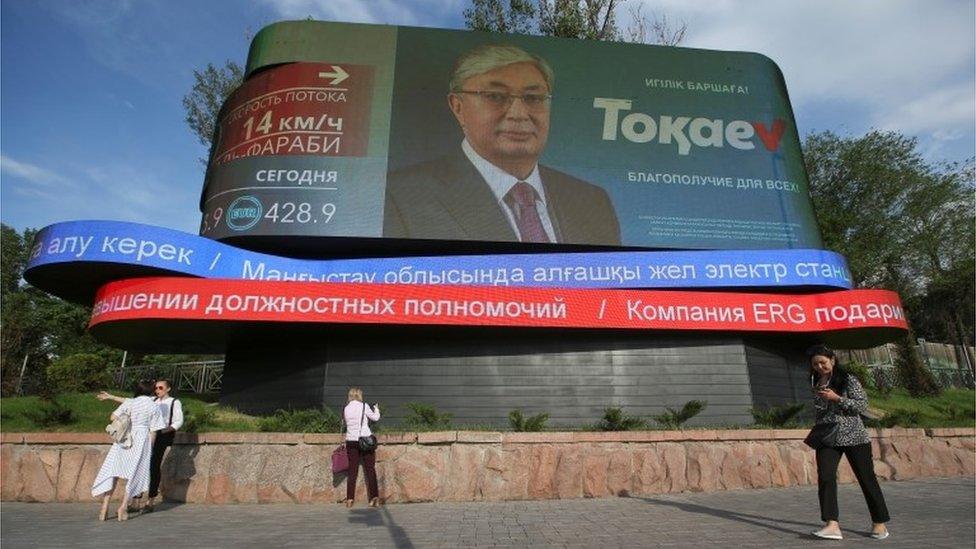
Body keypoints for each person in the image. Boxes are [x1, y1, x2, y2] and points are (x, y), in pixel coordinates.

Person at [384, 43, 621, 245]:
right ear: (458, 107)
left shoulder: (592, 201)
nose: (519, 114)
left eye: (533, 98)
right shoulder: (400, 196)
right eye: (495, 96)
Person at [807, 344, 890, 540]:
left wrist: (837, 398)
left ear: (833, 360)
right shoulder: (815, 381)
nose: (820, 367)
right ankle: (832, 524)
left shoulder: (848, 379)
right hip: (828, 437)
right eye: (815, 364)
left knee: (866, 478)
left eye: (823, 362)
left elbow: (861, 405)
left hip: (854, 436)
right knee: (826, 477)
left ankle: (879, 523)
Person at [97, 378, 183, 511]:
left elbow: (178, 421)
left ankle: (150, 500)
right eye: (156, 388)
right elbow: (129, 401)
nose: (157, 390)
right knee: (140, 467)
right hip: (145, 436)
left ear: (168, 389)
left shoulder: (174, 402)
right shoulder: (152, 402)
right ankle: (135, 502)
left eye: (160, 388)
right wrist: (111, 397)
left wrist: (163, 431)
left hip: (160, 436)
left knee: (153, 467)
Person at [91, 379, 165, 521]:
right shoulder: (154, 407)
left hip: (124, 438)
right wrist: (150, 448)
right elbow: (154, 430)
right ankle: (123, 507)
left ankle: (104, 508)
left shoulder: (130, 402)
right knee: (134, 473)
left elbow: (112, 417)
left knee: (113, 471)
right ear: (151, 391)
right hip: (142, 439)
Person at [343, 387, 381, 508]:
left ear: (350, 396)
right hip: (364, 440)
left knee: (352, 471)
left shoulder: (346, 408)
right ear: (359, 395)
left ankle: (349, 499)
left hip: (351, 441)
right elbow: (375, 418)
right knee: (370, 469)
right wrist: (376, 408)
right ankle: (374, 498)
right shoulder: (364, 406)